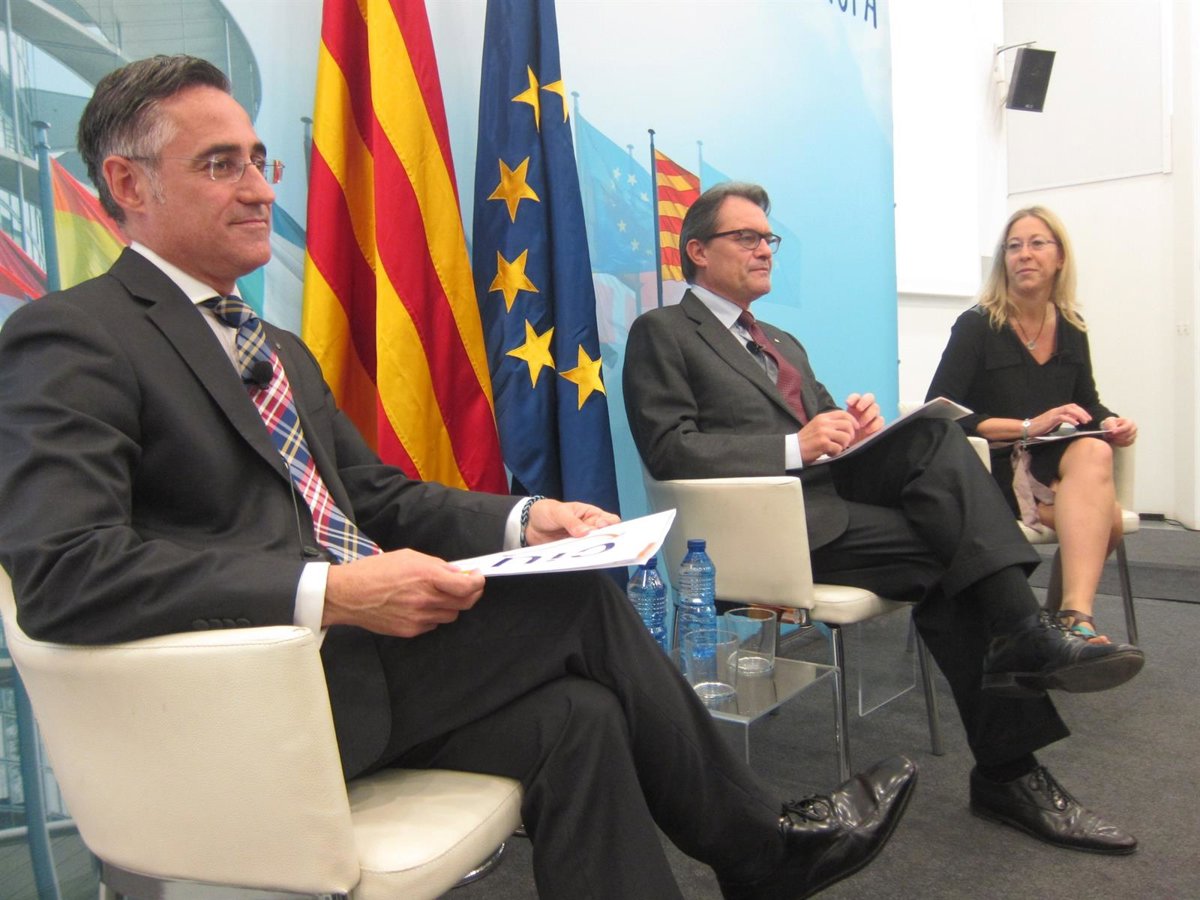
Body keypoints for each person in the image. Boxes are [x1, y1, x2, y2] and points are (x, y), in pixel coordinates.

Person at [0, 56, 918, 900]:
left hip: (354, 682)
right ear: (129, 184)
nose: (259, 189)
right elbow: (65, 569)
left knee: (581, 718)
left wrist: (527, 519)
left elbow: (376, 497)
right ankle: (760, 852)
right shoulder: (75, 336)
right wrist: (330, 592)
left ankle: (754, 857)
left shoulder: (271, 345)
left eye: (259, 161)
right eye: (219, 165)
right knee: (576, 603)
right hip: (253, 707)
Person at [623, 181, 1145, 857]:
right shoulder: (663, 331)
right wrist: (795, 446)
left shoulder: (780, 340)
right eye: (746, 237)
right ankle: (1014, 736)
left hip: (831, 501)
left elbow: (826, 430)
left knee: (934, 434)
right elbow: (669, 447)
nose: (765, 250)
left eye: (768, 238)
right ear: (697, 250)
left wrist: (858, 429)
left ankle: (1019, 689)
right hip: (763, 529)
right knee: (958, 564)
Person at [926, 207, 1137, 643]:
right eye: (1014, 246)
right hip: (991, 469)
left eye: (1037, 243)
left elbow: (1087, 401)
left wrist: (1111, 421)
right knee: (1108, 521)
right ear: (1004, 260)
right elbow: (940, 412)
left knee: (1096, 447)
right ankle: (1065, 624)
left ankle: (1066, 621)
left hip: (1050, 462)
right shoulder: (977, 325)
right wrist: (1027, 426)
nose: (1024, 254)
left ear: (1059, 257)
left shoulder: (1072, 326)